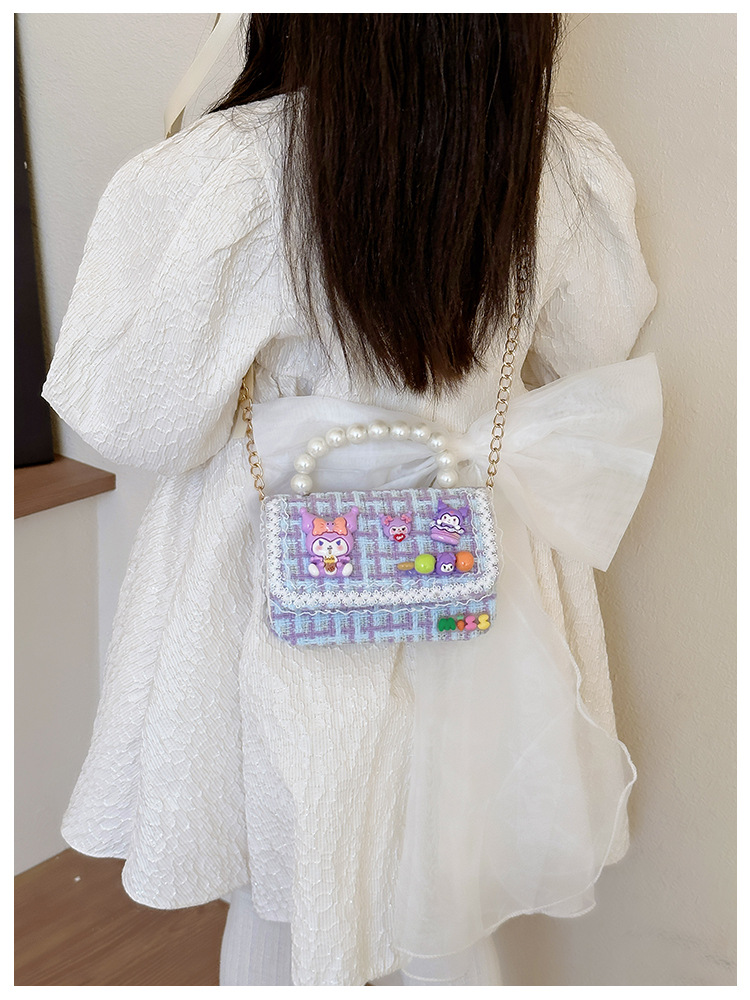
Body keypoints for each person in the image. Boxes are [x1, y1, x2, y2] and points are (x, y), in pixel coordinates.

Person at [42, 14, 662, 987]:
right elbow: (595, 345)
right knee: (444, 881)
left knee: (281, 890)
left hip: (280, 574)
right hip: (473, 568)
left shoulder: (231, 172)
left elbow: (141, 421)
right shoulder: (554, 163)